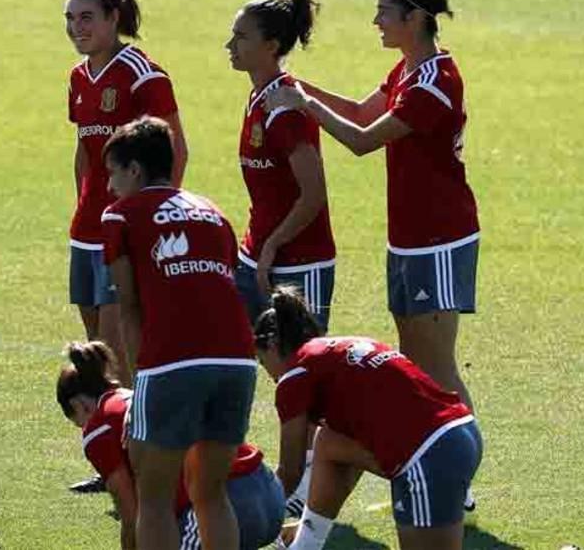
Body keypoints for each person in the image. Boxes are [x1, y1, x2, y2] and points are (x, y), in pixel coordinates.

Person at [263, 0, 478, 419]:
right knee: (417, 363)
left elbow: (362, 140)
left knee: (437, 367)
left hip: (439, 238)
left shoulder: (434, 83)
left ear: (414, 18)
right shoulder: (408, 71)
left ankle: (456, 479)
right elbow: (362, 112)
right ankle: (431, 464)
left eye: (384, 12)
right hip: (409, 236)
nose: (375, 21)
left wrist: (305, 104)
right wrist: (292, 85)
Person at [100, 117, 257, 550]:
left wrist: (137, 391)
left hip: (173, 362)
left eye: (113, 173)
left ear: (134, 170)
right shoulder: (213, 212)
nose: (110, 186)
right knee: (210, 492)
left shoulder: (120, 216)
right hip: (237, 362)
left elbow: (130, 308)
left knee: (155, 499)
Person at [254, 287, 481, 550]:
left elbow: (290, 472)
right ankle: (305, 544)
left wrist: (254, 519)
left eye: (262, 360)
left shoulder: (294, 377)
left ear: (272, 345)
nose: (268, 373)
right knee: (329, 442)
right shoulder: (337, 349)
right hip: (462, 431)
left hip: (430, 454)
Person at [64, 0, 189, 390]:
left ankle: (140, 437)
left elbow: (175, 151)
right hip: (87, 230)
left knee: (117, 344)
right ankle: (117, 432)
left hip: (128, 229)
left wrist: (155, 218)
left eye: (87, 17)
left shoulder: (142, 75)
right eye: (70, 18)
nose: (77, 27)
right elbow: (84, 150)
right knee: (95, 355)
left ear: (113, 18)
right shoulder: (78, 78)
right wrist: (82, 203)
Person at [56, 341, 284, 550]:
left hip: (227, 504)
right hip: (270, 494)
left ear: (78, 404)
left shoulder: (99, 427)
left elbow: (131, 514)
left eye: (77, 422)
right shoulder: (138, 395)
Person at [225, 0, 336, 328]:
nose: (229, 45)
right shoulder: (260, 97)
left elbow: (313, 194)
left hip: (298, 263)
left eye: (241, 37)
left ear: (271, 46)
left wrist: (273, 244)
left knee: (303, 365)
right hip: (257, 256)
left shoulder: (285, 109)